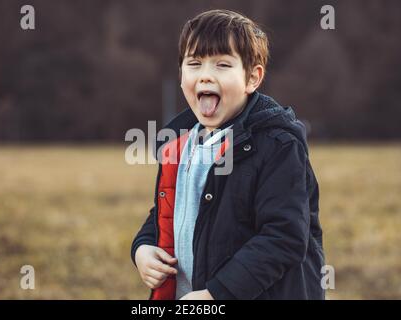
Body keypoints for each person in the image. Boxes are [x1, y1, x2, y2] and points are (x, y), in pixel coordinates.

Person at [131, 9, 324, 300]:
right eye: (194, 63)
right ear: (181, 74)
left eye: (222, 64)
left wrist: (216, 293)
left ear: (252, 78)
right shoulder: (179, 145)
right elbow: (166, 212)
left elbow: (284, 237)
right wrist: (143, 248)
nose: (206, 76)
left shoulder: (278, 145)